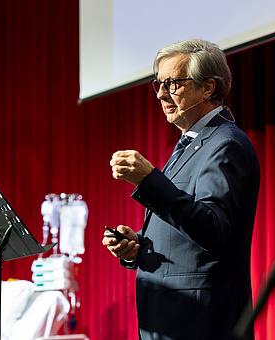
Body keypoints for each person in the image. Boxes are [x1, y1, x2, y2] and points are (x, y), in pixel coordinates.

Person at [103, 39, 260, 340]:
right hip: (170, 317)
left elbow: (212, 229)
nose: (161, 94)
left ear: (208, 88)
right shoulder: (192, 143)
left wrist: (149, 180)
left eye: (172, 83)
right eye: (158, 84)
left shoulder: (225, 144)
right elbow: (184, 231)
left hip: (200, 322)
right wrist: (136, 247)